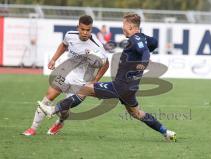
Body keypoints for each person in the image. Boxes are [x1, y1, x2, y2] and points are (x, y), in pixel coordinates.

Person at [39, 13, 176, 141]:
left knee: (84, 89)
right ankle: (166, 132)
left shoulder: (135, 39)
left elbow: (144, 51)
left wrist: (143, 64)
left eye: (124, 26)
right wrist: (146, 43)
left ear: (130, 26)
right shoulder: (141, 37)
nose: (123, 29)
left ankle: (53, 110)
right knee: (137, 113)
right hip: (130, 88)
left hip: (120, 86)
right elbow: (154, 42)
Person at [22, 15, 109, 136]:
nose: (84, 32)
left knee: (63, 110)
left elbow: (106, 64)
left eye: (88, 30)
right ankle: (32, 129)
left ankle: (60, 122)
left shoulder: (97, 46)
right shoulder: (70, 35)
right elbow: (64, 45)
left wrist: (95, 80)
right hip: (66, 72)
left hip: (81, 81)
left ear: (91, 29)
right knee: (47, 98)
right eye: (82, 29)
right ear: (77, 27)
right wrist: (53, 59)